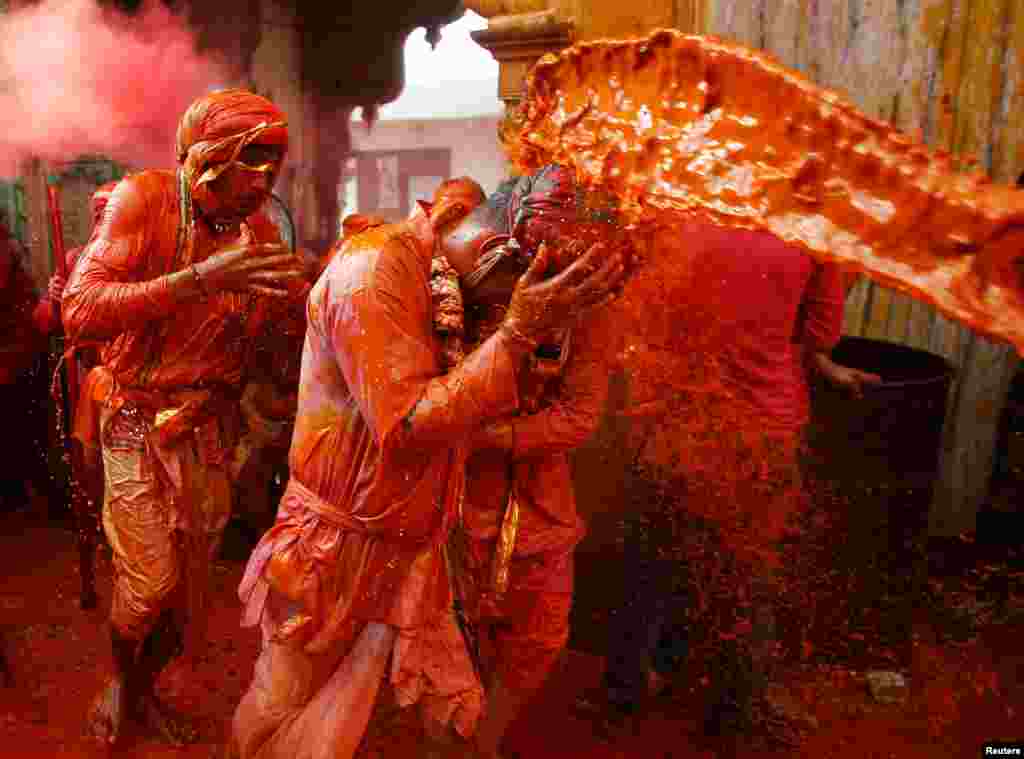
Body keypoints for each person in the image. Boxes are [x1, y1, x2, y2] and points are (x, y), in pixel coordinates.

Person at [228, 169, 625, 759]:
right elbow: (407, 426)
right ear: (494, 254)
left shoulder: (458, 285)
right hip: (333, 549)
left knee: (452, 717)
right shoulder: (372, 272)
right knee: (284, 713)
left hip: (416, 543)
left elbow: (565, 411)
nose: (490, 322)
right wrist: (517, 331)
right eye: (526, 293)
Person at [62, 88, 305, 746]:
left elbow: (258, 353)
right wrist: (200, 279)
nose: (264, 180)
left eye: (273, 163)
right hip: (135, 418)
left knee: (189, 592)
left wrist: (291, 307)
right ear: (208, 157)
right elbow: (79, 310)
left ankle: (139, 691)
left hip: (203, 433)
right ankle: (119, 682)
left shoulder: (255, 233)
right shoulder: (144, 200)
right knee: (147, 584)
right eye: (251, 160)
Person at [584, 222, 881, 747]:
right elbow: (819, 334)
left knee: (647, 560)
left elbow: (629, 307)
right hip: (759, 428)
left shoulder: (668, 214)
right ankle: (733, 716)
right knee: (745, 577)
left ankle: (623, 689)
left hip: (666, 420)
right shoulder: (812, 229)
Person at [433, 164, 622, 759]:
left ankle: (486, 741)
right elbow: (416, 401)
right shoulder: (452, 274)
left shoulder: (592, 300)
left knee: (538, 638)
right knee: (445, 637)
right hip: (452, 501)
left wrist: (482, 436)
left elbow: (578, 417)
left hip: (539, 505)